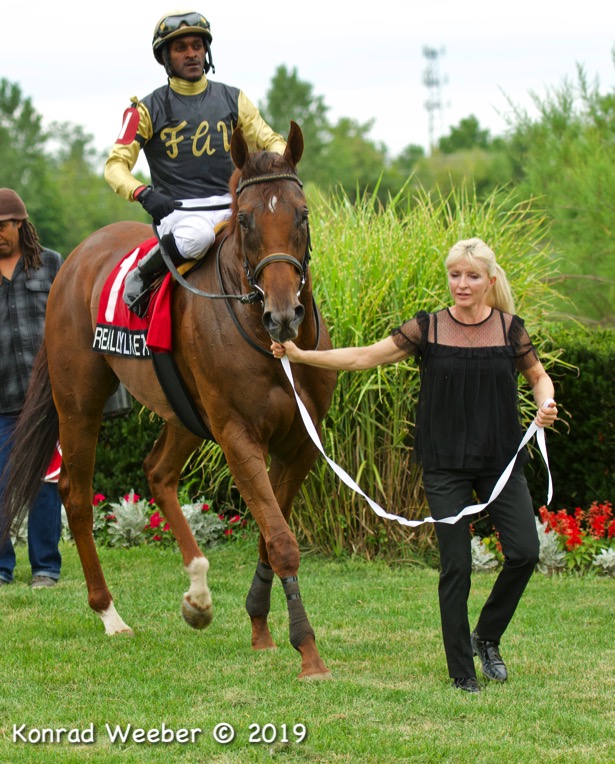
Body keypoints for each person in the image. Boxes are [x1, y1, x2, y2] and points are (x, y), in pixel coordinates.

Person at [272, 237, 558, 693]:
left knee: (525, 551)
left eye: (472, 276)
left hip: (501, 460)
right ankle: (462, 670)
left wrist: (547, 403)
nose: (461, 284)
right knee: (457, 566)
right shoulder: (428, 328)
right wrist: (302, 355)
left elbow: (539, 377)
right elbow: (366, 356)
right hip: (444, 462)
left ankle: (487, 636)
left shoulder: (510, 329)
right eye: (454, 274)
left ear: (490, 281)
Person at [104, 10, 287, 316]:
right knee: (198, 238)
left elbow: (271, 140)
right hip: (181, 215)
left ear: (206, 50)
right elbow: (115, 166)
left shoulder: (234, 98)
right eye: (181, 48)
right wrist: (143, 194)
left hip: (233, 207)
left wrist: (280, 164)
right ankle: (144, 271)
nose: (191, 54)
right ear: (166, 56)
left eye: (197, 46)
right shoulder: (146, 109)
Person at [0, 189, 63, 589]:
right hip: (1, 399)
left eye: (2, 227)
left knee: (44, 484)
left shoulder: (51, 264)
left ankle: (46, 568)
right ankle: (2, 567)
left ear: (20, 224)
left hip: (43, 400)